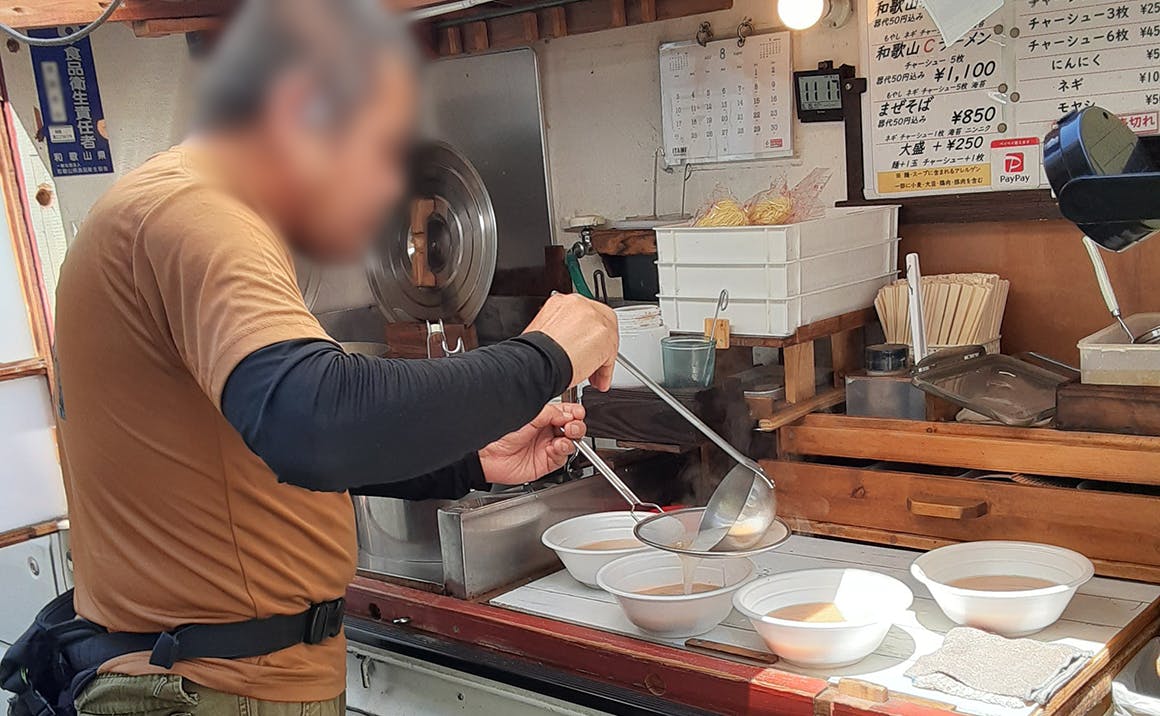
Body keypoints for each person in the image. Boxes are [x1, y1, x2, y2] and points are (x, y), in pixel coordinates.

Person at [47, 0, 619, 714]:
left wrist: (467, 460)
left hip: (219, 681)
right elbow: (314, 420)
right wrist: (547, 354)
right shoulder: (197, 214)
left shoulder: (177, 207)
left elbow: (251, 448)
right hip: (211, 691)